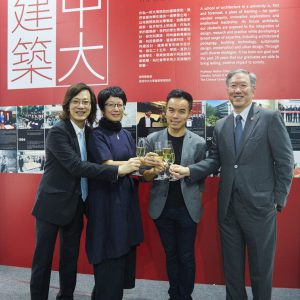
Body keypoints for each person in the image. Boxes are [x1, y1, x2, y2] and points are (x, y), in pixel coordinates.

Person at [171, 69, 294, 300]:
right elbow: (215, 160)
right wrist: (189, 170)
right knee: (232, 271)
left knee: (260, 270)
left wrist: (278, 199)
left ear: (253, 89)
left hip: (260, 208)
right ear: (227, 90)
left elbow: (286, 161)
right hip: (228, 209)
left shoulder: (269, 118)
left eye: (243, 85)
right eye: (233, 86)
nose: (237, 90)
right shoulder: (221, 125)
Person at [30, 83, 139, 300]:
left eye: (86, 102)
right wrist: (119, 169)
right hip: (51, 205)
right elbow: (76, 166)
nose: (81, 106)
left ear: (92, 107)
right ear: (68, 104)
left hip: (77, 204)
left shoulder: (90, 133)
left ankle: (66, 297)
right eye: (76, 101)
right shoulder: (57, 131)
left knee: (69, 260)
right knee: (43, 260)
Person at [143, 89, 206, 300]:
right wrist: (153, 171)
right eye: (171, 110)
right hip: (162, 209)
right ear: (165, 111)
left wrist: (186, 174)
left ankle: (185, 296)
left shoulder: (198, 142)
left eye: (181, 111)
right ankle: (173, 294)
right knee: (171, 254)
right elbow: (145, 176)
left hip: (188, 208)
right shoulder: (152, 139)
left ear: (189, 114)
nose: (175, 116)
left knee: (186, 256)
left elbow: (201, 178)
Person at [86, 86, 144, 300]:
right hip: (105, 201)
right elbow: (107, 164)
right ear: (101, 108)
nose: (116, 108)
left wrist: (147, 167)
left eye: (119, 104)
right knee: (108, 250)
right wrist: (135, 163)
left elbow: (133, 168)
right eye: (110, 104)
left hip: (126, 201)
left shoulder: (126, 134)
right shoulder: (96, 135)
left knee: (123, 250)